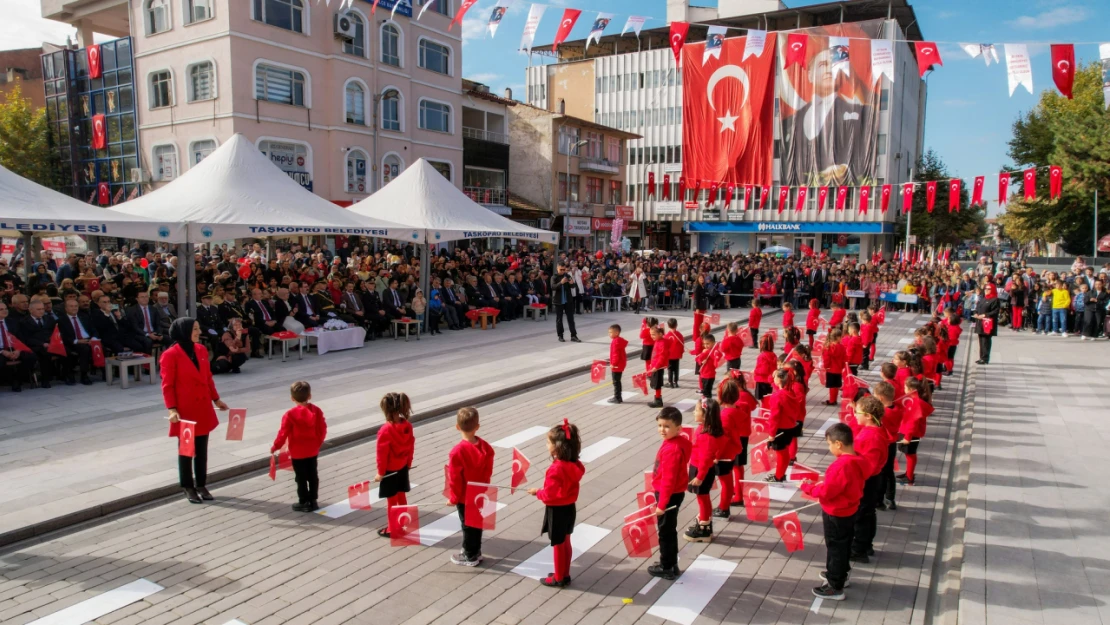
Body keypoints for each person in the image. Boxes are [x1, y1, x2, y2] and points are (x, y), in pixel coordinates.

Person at [161, 318, 228, 504]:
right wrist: (172, 409)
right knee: (186, 450)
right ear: (184, 332)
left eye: (198, 328)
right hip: (186, 410)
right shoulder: (170, 355)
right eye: (195, 329)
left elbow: (207, 377)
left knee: (202, 449)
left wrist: (217, 399)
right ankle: (187, 486)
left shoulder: (201, 350)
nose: (199, 332)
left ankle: (201, 484)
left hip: (203, 407)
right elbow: (167, 386)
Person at [799, 423, 868, 601]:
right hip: (849, 509)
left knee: (835, 547)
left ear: (838, 444)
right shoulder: (858, 460)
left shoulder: (841, 466)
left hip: (836, 512)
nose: (829, 448)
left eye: (829, 444)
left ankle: (835, 585)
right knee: (843, 545)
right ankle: (840, 575)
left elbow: (827, 491)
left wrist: (808, 488)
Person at [526, 420, 585, 588]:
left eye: (548, 442)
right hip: (569, 508)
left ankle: (559, 577)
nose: (546, 445)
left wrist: (537, 492)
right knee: (566, 542)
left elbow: (549, 495)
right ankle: (564, 572)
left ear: (557, 447)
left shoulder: (556, 469)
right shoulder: (574, 464)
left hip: (557, 510)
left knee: (558, 545)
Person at [446, 407, 495, 567]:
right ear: (477, 427)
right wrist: (485, 485)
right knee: (477, 522)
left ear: (457, 427)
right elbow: (488, 470)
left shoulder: (457, 452)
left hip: (464, 496)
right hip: (480, 493)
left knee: (467, 524)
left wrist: (453, 498)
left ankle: (469, 555)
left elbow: (454, 479)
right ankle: (476, 550)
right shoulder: (486, 448)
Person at [648, 406, 692, 580]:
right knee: (669, 529)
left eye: (666, 426)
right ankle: (672, 563)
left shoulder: (671, 450)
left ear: (678, 428)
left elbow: (668, 480)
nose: (662, 430)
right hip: (675, 493)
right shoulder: (679, 442)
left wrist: (661, 505)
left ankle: (666, 566)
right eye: (659, 425)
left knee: (665, 531)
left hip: (668, 495)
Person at [270, 381, 327, 512]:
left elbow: (283, 433)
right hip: (312, 449)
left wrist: (275, 446)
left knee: (300, 477)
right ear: (310, 396)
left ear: (292, 398)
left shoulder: (290, 415)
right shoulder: (316, 411)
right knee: (313, 475)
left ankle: (303, 501)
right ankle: (313, 500)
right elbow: (322, 428)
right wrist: (318, 442)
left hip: (297, 451)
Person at [849, 396, 888, 563]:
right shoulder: (874, 430)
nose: (855, 415)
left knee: (862, 515)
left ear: (868, 416)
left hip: (867, 480)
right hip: (871, 478)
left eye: (857, 412)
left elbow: (868, 466)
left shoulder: (871, 437)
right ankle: (866, 545)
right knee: (868, 513)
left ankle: (859, 549)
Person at [684, 398, 725, 543]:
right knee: (703, 497)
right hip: (700, 467)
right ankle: (705, 520)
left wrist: (700, 476)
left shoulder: (707, 435)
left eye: (697, 410)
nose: (694, 412)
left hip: (701, 469)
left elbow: (706, 458)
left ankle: (704, 527)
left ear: (705, 414)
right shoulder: (706, 430)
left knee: (702, 497)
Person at [376, 392, 415, 537]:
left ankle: (393, 528)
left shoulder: (385, 430)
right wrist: (409, 463)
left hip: (390, 470)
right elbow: (411, 445)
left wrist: (380, 473)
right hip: (403, 467)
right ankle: (403, 521)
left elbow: (382, 454)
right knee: (401, 496)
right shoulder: (407, 426)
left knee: (391, 501)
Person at [896, 378, 934, 486]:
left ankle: (909, 477)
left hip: (911, 434)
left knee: (910, 454)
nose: (904, 388)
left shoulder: (915, 403)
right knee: (910, 454)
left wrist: (907, 437)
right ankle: (908, 473)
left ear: (911, 389)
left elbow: (912, 422)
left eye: (905, 387)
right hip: (911, 432)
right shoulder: (915, 400)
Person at [873, 381, 902, 511]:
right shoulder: (897, 409)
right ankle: (890, 498)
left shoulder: (882, 413)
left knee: (880, 473)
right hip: (892, 444)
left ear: (880, 398)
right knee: (889, 472)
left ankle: (879, 500)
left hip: (882, 444)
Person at [56, 298, 96, 386]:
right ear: (66, 308)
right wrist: (77, 341)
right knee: (84, 349)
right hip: (72, 343)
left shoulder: (84, 316)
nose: (74, 308)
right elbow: (62, 336)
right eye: (71, 306)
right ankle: (83, 375)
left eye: (76, 306)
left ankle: (102, 373)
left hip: (88, 340)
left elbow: (93, 329)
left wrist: (93, 339)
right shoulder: (61, 320)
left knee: (100, 347)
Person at [0, 301, 36, 392]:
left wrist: (18, 350)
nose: (5, 311)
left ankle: (19, 379)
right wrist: (3, 351)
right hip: (1, 351)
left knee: (30, 356)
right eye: (1, 309)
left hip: (14, 347)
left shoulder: (13, 322)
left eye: (5, 309)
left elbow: (21, 338)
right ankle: (8, 380)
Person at [973, 283, 1001, 365]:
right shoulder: (983, 298)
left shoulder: (995, 299)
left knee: (986, 340)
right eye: (985, 288)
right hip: (980, 322)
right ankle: (981, 357)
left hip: (987, 323)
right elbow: (977, 307)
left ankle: (985, 358)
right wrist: (976, 313)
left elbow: (995, 311)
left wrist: (985, 315)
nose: (986, 290)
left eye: (988, 289)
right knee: (981, 340)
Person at [551, 264, 579, 343]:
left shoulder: (567, 275)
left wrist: (572, 283)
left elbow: (573, 286)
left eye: (564, 269)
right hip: (558, 301)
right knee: (559, 319)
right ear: (557, 268)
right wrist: (561, 282)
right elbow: (553, 287)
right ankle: (560, 336)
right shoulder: (554, 277)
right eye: (561, 269)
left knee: (571, 319)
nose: (563, 271)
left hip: (568, 301)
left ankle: (573, 335)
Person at [822, 328, 847, 405]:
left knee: (832, 386)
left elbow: (826, 359)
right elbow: (844, 358)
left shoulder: (828, 347)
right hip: (838, 369)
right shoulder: (842, 347)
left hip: (831, 369)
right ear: (838, 337)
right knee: (836, 385)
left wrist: (826, 366)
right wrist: (842, 366)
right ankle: (834, 399)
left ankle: (832, 400)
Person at [646, 325, 669, 408]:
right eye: (651, 334)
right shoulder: (658, 341)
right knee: (656, 384)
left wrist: (656, 366)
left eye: (653, 334)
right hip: (655, 366)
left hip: (658, 368)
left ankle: (658, 400)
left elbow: (662, 356)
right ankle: (657, 399)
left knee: (657, 384)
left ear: (660, 334)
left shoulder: (662, 343)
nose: (652, 336)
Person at [695, 333, 720, 399]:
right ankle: (706, 403)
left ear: (713, 343)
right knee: (705, 391)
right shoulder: (706, 351)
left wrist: (704, 353)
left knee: (707, 393)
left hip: (709, 375)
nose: (706, 345)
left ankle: (707, 405)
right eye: (704, 344)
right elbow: (697, 358)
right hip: (703, 374)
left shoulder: (713, 351)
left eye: (708, 344)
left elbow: (716, 359)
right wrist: (701, 361)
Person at [607, 324, 628, 405]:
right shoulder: (619, 340)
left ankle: (617, 397)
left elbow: (616, 355)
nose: (609, 334)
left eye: (610, 332)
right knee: (617, 381)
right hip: (620, 364)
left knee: (616, 382)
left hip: (617, 365)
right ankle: (618, 396)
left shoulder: (615, 342)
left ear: (616, 332)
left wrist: (613, 364)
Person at [753, 334, 777, 400]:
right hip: (769, 380)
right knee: (768, 397)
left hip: (761, 381)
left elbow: (763, 370)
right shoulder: (773, 355)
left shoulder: (762, 356)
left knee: (762, 399)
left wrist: (755, 371)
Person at [664, 318, 684, 388]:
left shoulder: (666, 336)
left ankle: (670, 382)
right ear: (676, 325)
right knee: (676, 369)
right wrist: (681, 353)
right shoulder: (679, 335)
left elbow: (665, 346)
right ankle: (676, 382)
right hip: (677, 355)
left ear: (668, 326)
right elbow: (682, 345)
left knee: (670, 369)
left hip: (669, 356)